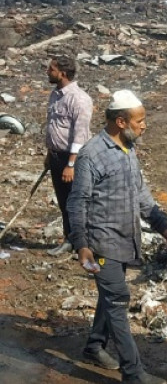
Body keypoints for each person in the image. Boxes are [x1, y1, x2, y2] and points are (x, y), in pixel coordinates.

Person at [67, 90, 167, 384]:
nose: (145, 125)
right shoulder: (92, 155)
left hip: (124, 239)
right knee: (117, 300)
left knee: (110, 297)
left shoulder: (128, 149)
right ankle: (134, 374)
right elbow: (77, 201)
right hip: (101, 243)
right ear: (121, 121)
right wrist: (81, 245)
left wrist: (163, 225)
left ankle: (94, 346)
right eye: (140, 121)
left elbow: (141, 193)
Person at [45, 55, 94, 256]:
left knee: (77, 203)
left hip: (73, 159)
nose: (48, 72)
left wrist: (71, 164)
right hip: (57, 157)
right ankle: (69, 239)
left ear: (62, 73)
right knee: (64, 201)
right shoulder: (55, 95)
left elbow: (80, 134)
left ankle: (84, 245)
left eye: (51, 69)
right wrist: (50, 155)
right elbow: (53, 126)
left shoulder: (79, 99)